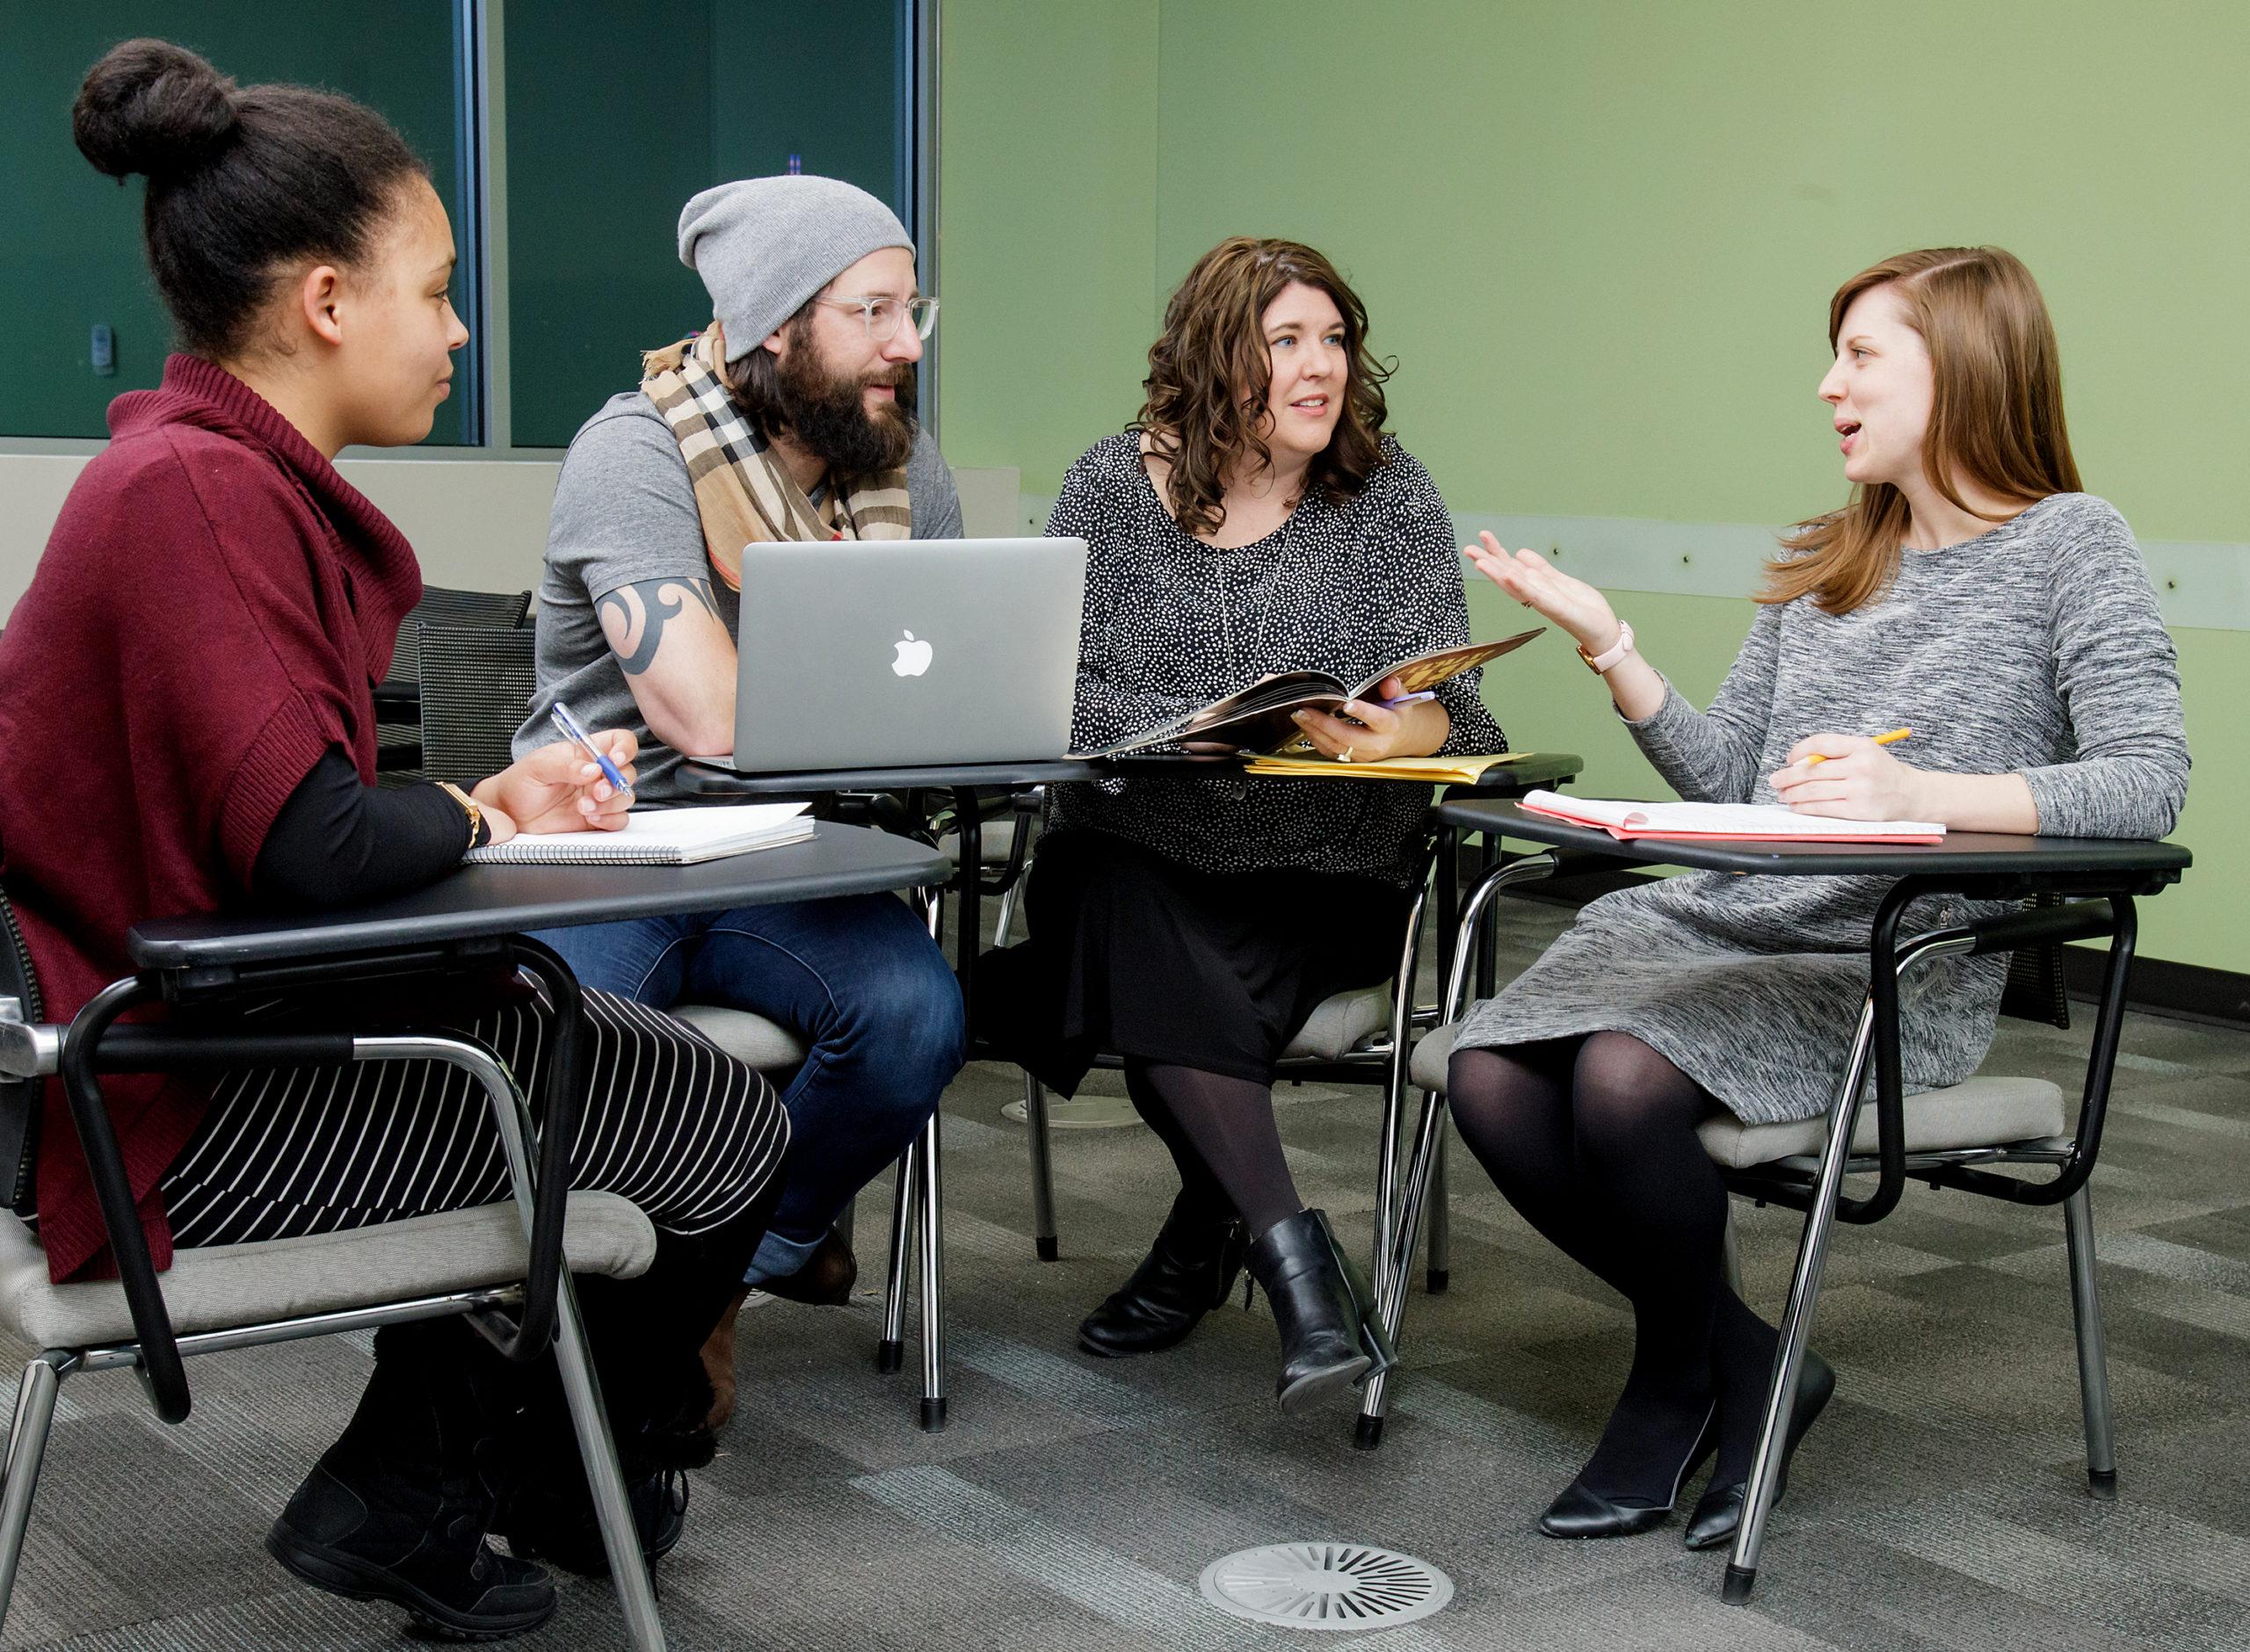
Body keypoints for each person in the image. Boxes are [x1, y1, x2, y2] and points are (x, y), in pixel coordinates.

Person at [0, 41, 795, 1639]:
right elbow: (319, 851)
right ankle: (494, 1486)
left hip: (161, 1046)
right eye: (434, 292)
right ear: (323, 302)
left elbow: (298, 822)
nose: (460, 327)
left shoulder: (200, 474)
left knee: (609, 1074)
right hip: (158, 1109)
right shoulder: (198, 495)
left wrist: (486, 809)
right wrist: (461, 815)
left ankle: (457, 1483)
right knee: (710, 1125)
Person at [1450, 246, 2188, 1549]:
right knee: (1489, 1075)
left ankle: (1679, 1383)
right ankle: (1742, 1362)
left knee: (1623, 1078)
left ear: (1960, 368)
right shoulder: (1835, 555)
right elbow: (1736, 775)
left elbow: (2146, 781)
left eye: (1860, 355)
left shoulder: (2074, 544)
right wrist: (1610, 645)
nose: (1825, 384)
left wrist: (1926, 798)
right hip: (1728, 921)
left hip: (1893, 964)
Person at [980, 236, 1510, 1410]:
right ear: (1220, 362)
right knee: (1129, 912)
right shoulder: (1111, 490)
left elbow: (1456, 703)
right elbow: (1052, 684)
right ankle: (1298, 1267)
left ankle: (1206, 1238)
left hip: (1328, 870)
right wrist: (1189, 728)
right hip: (1135, 845)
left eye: (1334, 341)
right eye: (1287, 343)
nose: (1321, 368)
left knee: (1156, 980)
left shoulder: (1386, 493)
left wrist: (1405, 733)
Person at [513, 176, 965, 1411]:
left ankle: (719, 1272)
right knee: (579, 1058)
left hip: (793, 854)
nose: (907, 343)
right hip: (619, 844)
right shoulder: (637, 454)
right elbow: (701, 713)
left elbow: (946, 687)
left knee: (917, 1018)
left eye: (910, 308)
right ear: (778, 325)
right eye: (873, 312)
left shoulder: (904, 475)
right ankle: (580, 1331)